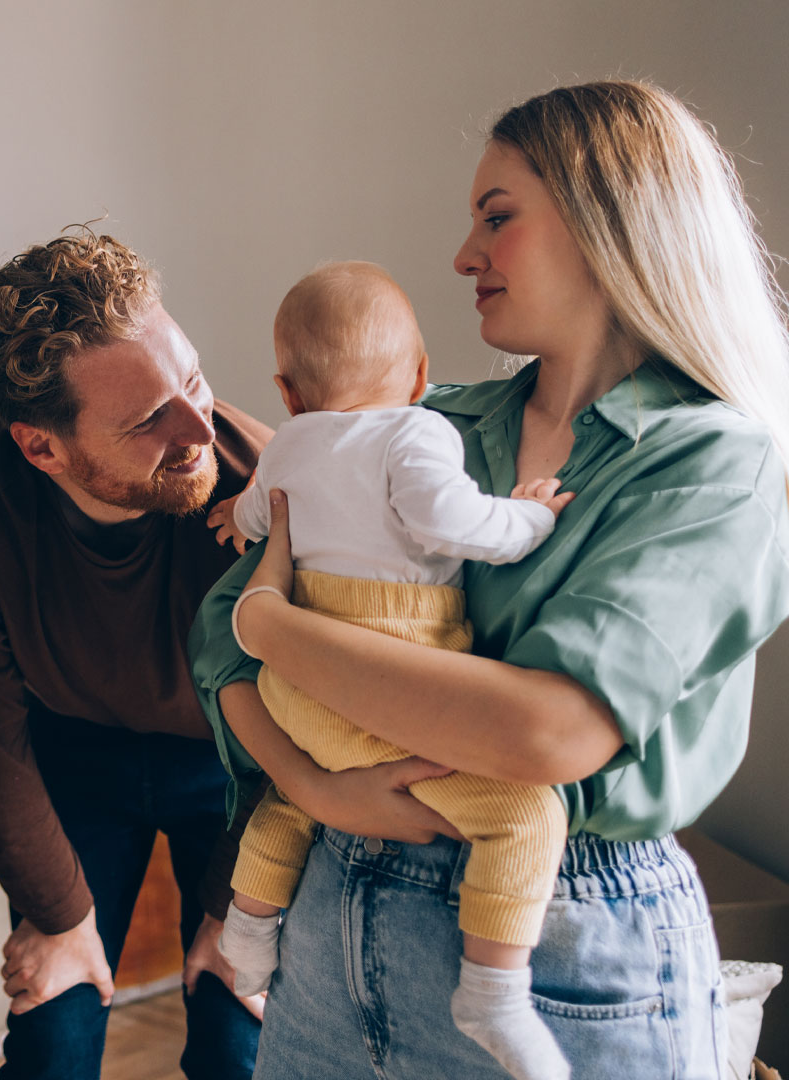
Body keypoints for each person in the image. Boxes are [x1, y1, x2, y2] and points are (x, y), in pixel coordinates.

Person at [190, 80, 789, 1079]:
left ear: (612, 221)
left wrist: (281, 631)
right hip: (331, 918)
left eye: (497, 218)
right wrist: (308, 785)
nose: (465, 254)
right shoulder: (428, 426)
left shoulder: (717, 462)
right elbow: (219, 635)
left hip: (563, 949)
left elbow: (545, 733)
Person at [0, 226, 268, 1080]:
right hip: (71, 755)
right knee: (52, 1044)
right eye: (148, 419)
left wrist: (236, 909)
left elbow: (310, 723)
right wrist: (61, 924)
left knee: (236, 1039)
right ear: (41, 447)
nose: (196, 428)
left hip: (241, 762)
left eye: (194, 378)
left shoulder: (268, 490)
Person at [208, 261, 577, 1080]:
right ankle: (492, 989)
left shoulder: (290, 447)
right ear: (419, 374)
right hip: (393, 671)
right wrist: (531, 516)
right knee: (525, 818)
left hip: (294, 679)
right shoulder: (417, 429)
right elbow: (452, 519)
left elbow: (252, 515)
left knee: (294, 802)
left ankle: (248, 933)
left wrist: (231, 523)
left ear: (287, 392)